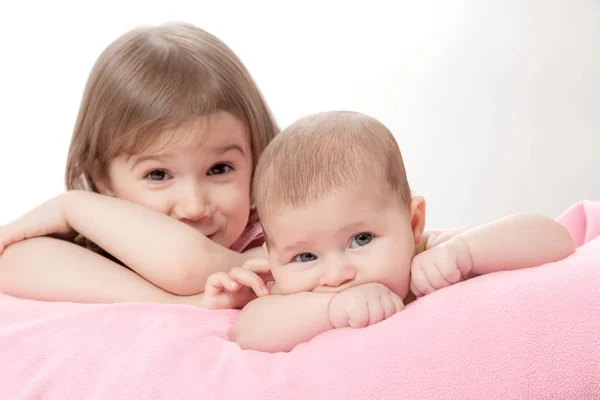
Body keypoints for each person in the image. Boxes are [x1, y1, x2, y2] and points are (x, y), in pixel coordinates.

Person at [222, 110, 576, 352]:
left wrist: (464, 252)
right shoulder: (294, 297)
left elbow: (556, 240)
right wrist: (332, 309)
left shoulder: (431, 254)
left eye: (360, 239)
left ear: (413, 223)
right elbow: (247, 331)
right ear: (273, 256)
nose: (336, 274)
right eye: (305, 256)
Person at [0, 22, 275, 309]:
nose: (194, 207)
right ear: (103, 177)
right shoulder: (105, 235)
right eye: (158, 175)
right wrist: (173, 301)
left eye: (219, 169)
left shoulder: (276, 243)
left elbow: (190, 266)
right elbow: (14, 264)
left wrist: (70, 206)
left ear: (255, 158)